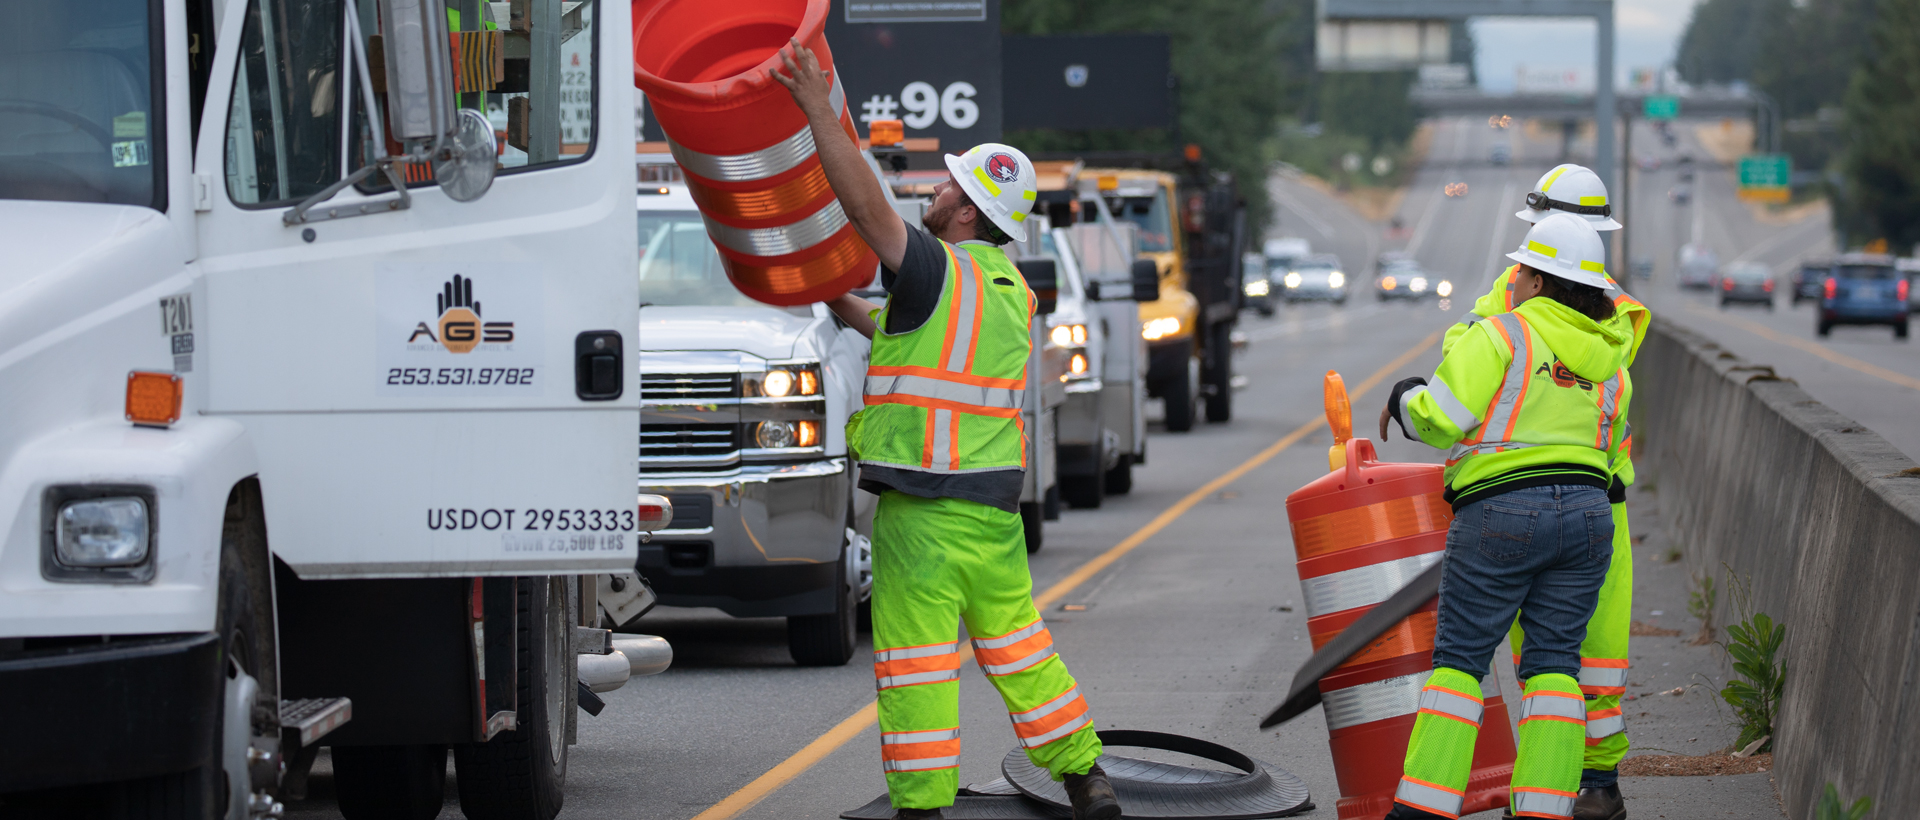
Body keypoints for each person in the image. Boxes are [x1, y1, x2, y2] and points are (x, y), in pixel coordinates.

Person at [772, 40, 1122, 820]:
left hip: (921, 514)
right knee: (1020, 651)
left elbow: (865, 208)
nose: (932, 191)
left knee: (916, 665)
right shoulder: (1005, 289)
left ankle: (923, 806)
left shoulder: (933, 266)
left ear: (966, 212)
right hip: (992, 515)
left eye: (946, 186)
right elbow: (922, 345)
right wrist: (847, 310)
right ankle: (1085, 776)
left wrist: (815, 107)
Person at [1378, 212, 1632, 820]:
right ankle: (1543, 809)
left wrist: (1402, 396)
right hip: (1591, 518)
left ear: (1540, 282)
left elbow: (1440, 417)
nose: (1511, 281)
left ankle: (1422, 808)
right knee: (1554, 668)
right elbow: (1614, 444)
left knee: (1461, 664)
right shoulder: (1611, 362)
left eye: (1520, 272)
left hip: (1502, 513)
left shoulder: (1501, 336)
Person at [1444, 165, 1646, 820]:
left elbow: (1461, 368)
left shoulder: (1515, 295)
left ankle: (1561, 789)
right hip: (1599, 499)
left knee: (1550, 659)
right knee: (1581, 656)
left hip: (1520, 495)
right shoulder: (1613, 308)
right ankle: (1584, 788)